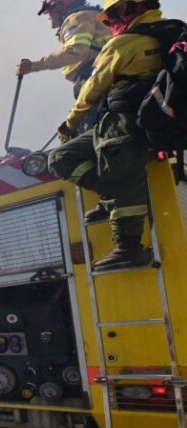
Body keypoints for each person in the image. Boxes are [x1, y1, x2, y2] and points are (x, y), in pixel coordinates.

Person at [47, 0, 165, 271]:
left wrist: (70, 123)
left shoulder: (123, 43)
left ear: (128, 10)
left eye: (111, 18)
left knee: (116, 171)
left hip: (125, 119)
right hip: (158, 117)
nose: (109, 24)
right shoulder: (174, 32)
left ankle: (128, 248)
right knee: (63, 157)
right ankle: (111, 196)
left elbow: (93, 88)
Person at [17, 0, 112, 103]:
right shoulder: (93, 14)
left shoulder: (76, 18)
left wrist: (33, 65)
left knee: (85, 116)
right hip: (108, 70)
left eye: (49, 11)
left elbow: (76, 52)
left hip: (97, 75)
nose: (48, 15)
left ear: (59, 6)